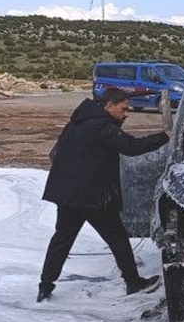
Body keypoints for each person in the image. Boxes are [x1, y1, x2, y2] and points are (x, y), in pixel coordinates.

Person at [37, 88, 171, 303]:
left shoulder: (78, 122)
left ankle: (45, 287)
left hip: (68, 193)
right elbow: (131, 147)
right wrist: (165, 137)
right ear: (109, 106)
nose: (126, 114)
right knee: (117, 237)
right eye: (123, 109)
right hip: (92, 196)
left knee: (61, 239)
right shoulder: (102, 126)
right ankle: (133, 282)